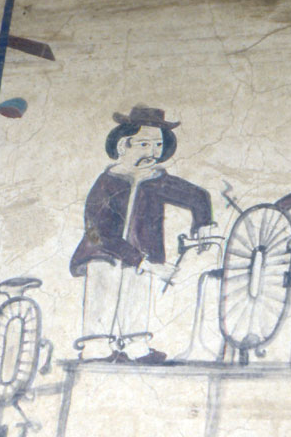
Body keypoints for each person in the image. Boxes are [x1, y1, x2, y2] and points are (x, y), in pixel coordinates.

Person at [70, 106, 213, 364]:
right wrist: (144, 263)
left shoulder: (155, 179)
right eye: (144, 144)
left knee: (136, 290)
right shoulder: (107, 184)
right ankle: (97, 345)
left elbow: (198, 196)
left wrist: (203, 223)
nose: (153, 153)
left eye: (157, 145)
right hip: (104, 253)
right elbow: (99, 234)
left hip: (142, 254)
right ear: (124, 145)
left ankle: (136, 346)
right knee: (105, 284)